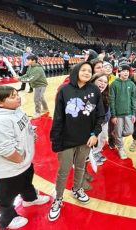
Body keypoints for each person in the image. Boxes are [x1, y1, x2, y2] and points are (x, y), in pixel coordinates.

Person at [0, 86, 50, 229]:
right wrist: (18, 159)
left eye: (17, 94)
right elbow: (0, 146)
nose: (18, 97)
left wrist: (31, 132)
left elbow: (24, 125)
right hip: (10, 167)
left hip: (23, 163)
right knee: (7, 194)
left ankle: (30, 199)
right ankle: (6, 219)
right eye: (12, 96)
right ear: (0, 103)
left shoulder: (15, 110)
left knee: (26, 182)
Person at [48, 62, 105, 221]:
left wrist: (95, 134)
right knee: (64, 170)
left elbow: (100, 115)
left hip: (86, 139)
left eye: (89, 71)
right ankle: (58, 198)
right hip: (67, 139)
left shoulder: (94, 90)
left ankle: (77, 189)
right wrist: (56, 139)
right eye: (83, 70)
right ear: (76, 71)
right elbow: (58, 116)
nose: (87, 73)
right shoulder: (65, 90)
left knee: (80, 167)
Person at [109, 61, 136, 159]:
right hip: (118, 114)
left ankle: (116, 134)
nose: (126, 73)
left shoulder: (131, 84)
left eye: (127, 71)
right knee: (119, 131)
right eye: (124, 71)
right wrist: (113, 115)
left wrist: (133, 113)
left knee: (130, 131)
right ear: (119, 72)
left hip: (128, 112)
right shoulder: (114, 84)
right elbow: (111, 100)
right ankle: (120, 149)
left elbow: (134, 99)